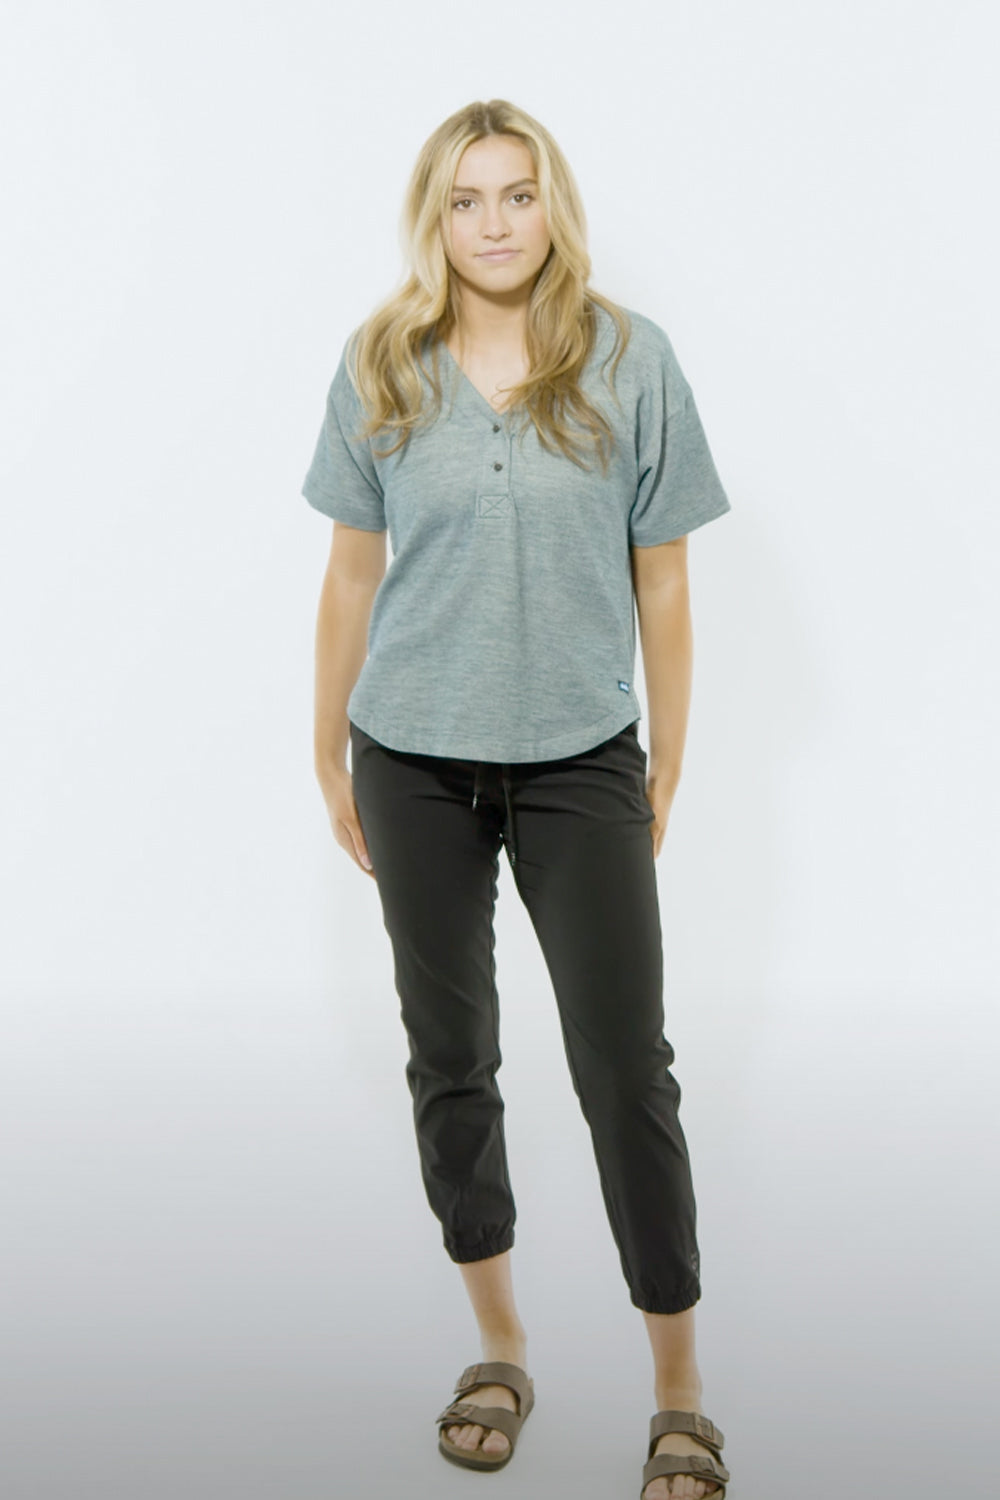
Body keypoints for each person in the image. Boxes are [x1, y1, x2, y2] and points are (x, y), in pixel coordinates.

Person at [301, 99, 733, 1500]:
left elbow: (666, 577)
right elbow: (351, 573)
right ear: (435, 218)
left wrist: (668, 754)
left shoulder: (630, 360)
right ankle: (499, 1349)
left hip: (579, 753)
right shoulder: (381, 361)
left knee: (625, 1071)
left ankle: (680, 1388)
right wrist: (326, 749)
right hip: (410, 758)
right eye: (466, 198)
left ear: (555, 207)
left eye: (519, 194)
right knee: (452, 1059)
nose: (494, 223)